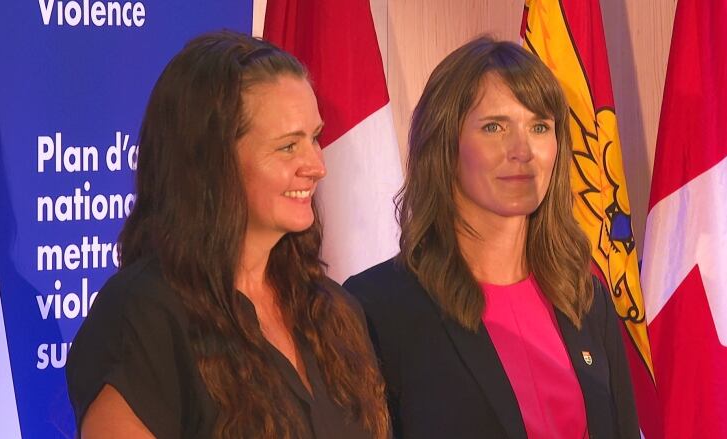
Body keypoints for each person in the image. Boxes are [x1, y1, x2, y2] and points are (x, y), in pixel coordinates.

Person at [66, 31, 389, 439]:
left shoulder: (335, 311)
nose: (316, 165)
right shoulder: (144, 316)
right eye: (288, 147)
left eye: (314, 138)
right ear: (212, 163)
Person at [343, 37, 639, 439]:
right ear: (445, 145)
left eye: (539, 127)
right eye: (494, 127)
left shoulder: (586, 297)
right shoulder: (377, 305)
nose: (522, 150)